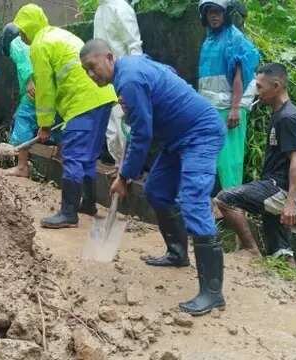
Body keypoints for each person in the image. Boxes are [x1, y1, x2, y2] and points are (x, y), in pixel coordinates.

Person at [80, 39, 227, 315]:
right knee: (157, 190)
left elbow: (143, 134)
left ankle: (212, 292)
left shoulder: (129, 80)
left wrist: (124, 178)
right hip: (177, 136)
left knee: (193, 201)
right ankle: (177, 253)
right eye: (85, 70)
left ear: (109, 58)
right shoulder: (133, 68)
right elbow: (168, 73)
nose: (90, 74)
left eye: (92, 66)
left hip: (200, 133)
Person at [12, 4, 117, 228]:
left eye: (22, 31)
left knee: (72, 155)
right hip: (102, 96)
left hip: (83, 102)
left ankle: (68, 213)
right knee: (88, 155)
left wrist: (44, 125)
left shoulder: (39, 45)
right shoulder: (57, 34)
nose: (22, 36)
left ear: (29, 29)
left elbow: (45, 89)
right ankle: (88, 203)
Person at [215, 64, 296, 267]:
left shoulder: (288, 118)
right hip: (276, 187)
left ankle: (250, 250)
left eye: (259, 87)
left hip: (278, 188)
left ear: (276, 86)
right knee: (281, 253)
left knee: (225, 198)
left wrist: (290, 202)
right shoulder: (280, 114)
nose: (257, 92)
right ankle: (294, 290)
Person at [198, 0, 260, 190]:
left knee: (230, 159)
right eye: (210, 12)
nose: (214, 16)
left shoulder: (234, 38)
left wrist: (235, 108)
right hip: (213, 107)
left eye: (218, 12)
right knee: (214, 157)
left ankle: (233, 203)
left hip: (229, 108)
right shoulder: (209, 39)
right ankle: (223, 203)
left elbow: (239, 76)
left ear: (226, 14)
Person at [93, 0, 143, 165]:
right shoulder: (100, 10)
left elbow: (134, 45)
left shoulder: (121, 8)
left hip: (124, 77)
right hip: (107, 80)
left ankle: (128, 168)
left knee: (125, 124)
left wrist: (134, 78)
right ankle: (118, 165)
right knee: (112, 128)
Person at [0, 23, 37, 177]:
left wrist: (29, 81)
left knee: (23, 119)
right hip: (49, 87)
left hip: (35, 87)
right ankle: (61, 154)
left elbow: (24, 63)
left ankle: (22, 167)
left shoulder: (17, 43)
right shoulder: (34, 40)